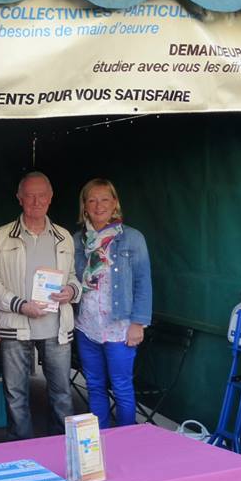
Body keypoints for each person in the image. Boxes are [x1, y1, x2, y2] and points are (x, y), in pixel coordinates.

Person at [0, 172, 83, 440]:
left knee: (61, 393)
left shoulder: (63, 237)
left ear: (51, 199)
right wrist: (20, 305)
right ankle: (22, 450)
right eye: (30, 195)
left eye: (42, 195)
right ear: (19, 198)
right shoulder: (0, 237)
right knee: (15, 394)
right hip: (16, 326)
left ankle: (60, 449)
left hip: (56, 327)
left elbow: (73, 276)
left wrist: (71, 290)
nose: (36, 201)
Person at [73, 178, 152, 429]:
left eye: (105, 199)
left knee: (121, 386)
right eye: (92, 200)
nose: (98, 205)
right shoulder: (78, 240)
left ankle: (126, 445)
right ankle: (100, 444)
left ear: (115, 202)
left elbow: (143, 282)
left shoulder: (132, 238)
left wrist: (138, 323)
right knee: (94, 385)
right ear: (84, 206)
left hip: (120, 326)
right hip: (87, 325)